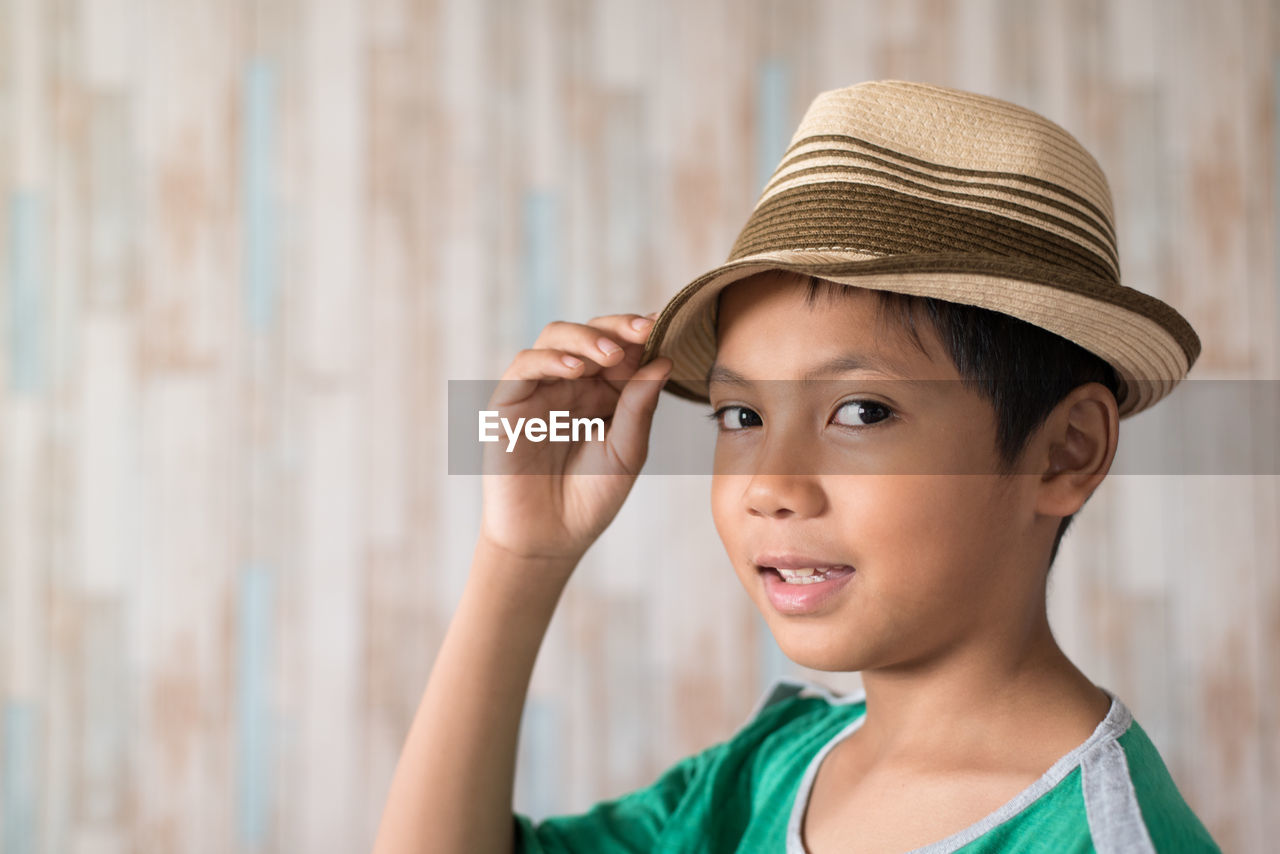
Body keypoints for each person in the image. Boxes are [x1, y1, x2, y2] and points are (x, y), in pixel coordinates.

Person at [371, 80, 1222, 853]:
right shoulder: (759, 778)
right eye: (741, 415)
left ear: (1066, 449)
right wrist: (523, 556)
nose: (769, 485)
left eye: (861, 412)